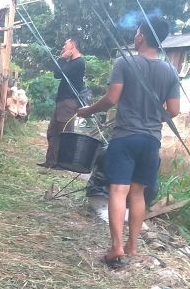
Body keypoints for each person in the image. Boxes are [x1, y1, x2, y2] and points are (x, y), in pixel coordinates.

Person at [77, 16, 181, 268]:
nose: (135, 36)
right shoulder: (169, 70)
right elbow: (174, 111)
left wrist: (88, 110)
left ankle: (117, 247)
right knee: (138, 193)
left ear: (142, 36)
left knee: (118, 190)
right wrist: (153, 116)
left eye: (137, 32)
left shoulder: (124, 62)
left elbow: (112, 98)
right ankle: (132, 247)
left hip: (125, 137)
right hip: (151, 140)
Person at [39, 36, 87, 168]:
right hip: (62, 101)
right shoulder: (71, 62)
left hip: (69, 102)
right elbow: (57, 74)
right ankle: (51, 161)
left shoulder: (78, 62)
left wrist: (62, 59)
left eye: (66, 44)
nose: (63, 47)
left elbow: (59, 74)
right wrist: (64, 59)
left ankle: (63, 163)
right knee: (53, 131)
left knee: (65, 133)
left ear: (73, 46)